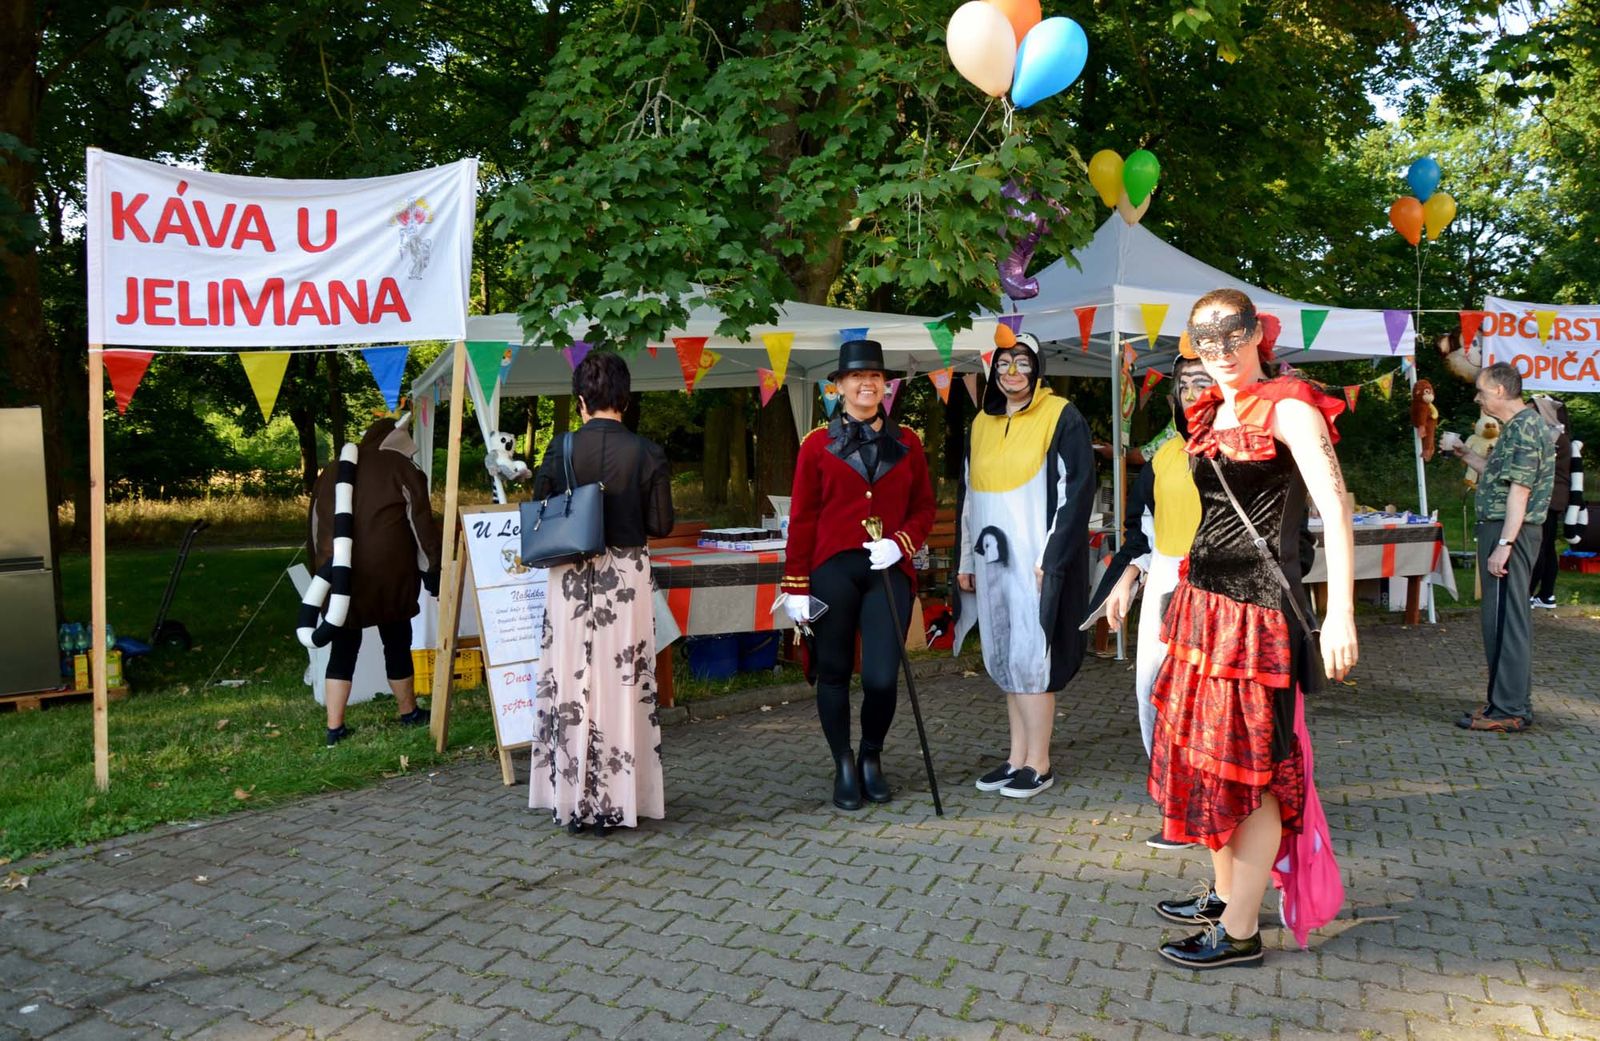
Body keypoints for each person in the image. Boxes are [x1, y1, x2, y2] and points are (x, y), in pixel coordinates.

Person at [1147, 289, 1356, 969]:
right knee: (1206, 759)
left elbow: (1335, 508)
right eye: (1207, 344)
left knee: (1258, 773)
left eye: (1232, 339)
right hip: (1204, 607)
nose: (1221, 354)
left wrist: (1342, 612)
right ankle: (1225, 894)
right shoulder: (1211, 409)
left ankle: (1240, 931)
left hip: (1262, 615)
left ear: (1256, 336)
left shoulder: (1290, 404)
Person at [782, 338, 936, 810]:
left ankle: (872, 757)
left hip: (886, 570)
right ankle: (843, 764)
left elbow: (924, 507)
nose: (866, 384)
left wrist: (901, 543)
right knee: (832, 672)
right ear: (840, 386)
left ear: (884, 386)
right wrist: (795, 586)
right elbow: (803, 517)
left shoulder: (908, 442)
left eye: (874, 377)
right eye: (856, 377)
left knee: (881, 677)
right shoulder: (815, 445)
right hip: (832, 570)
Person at [529, 351, 674, 833]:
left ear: (581, 400)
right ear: (626, 400)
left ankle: (570, 798)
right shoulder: (648, 452)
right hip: (626, 576)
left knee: (570, 679)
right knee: (624, 681)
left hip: (570, 574)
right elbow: (662, 523)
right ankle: (622, 797)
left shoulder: (561, 447)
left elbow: (541, 507)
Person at [953, 328, 1095, 799]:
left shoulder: (1061, 416)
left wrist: (1052, 558)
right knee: (1005, 658)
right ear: (993, 371)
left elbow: (1075, 494)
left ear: (1038, 370)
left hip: (1035, 561)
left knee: (1034, 660)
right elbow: (970, 497)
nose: (1013, 373)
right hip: (991, 560)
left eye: (1023, 363)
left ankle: (1040, 761)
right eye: (1004, 364)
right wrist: (964, 557)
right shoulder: (980, 423)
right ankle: (1016, 757)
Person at [1090, 354, 1213, 845]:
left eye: (1203, 380)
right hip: (1165, 580)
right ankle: (1177, 798)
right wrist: (1128, 577)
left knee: (1206, 700)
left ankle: (1210, 804)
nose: (1190, 391)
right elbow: (1142, 530)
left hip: (1222, 589)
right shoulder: (1164, 455)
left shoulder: (1243, 449)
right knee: (1154, 692)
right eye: (1184, 383)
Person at [307, 414, 441, 747]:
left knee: (343, 647)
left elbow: (312, 529)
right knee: (396, 641)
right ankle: (408, 712)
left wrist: (321, 577)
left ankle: (334, 728)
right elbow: (421, 527)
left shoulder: (330, 471)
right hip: (390, 575)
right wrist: (432, 571)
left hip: (340, 575)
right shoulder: (401, 468)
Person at [1447, 362, 1554, 732]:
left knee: (1505, 621)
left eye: (1480, 390)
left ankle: (1507, 709)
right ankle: (1507, 702)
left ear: (1499, 391)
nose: (1477, 397)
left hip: (1511, 533)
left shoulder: (1525, 428)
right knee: (1507, 620)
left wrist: (1504, 545)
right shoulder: (1520, 427)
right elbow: (1496, 475)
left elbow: (1519, 494)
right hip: (1509, 531)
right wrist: (1462, 453)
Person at [1527, 394, 1571, 610]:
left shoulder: (1553, 438)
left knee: (1540, 546)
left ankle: (1530, 592)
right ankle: (1546, 594)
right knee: (1547, 546)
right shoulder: (1557, 437)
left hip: (1548, 497)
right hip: (1552, 497)